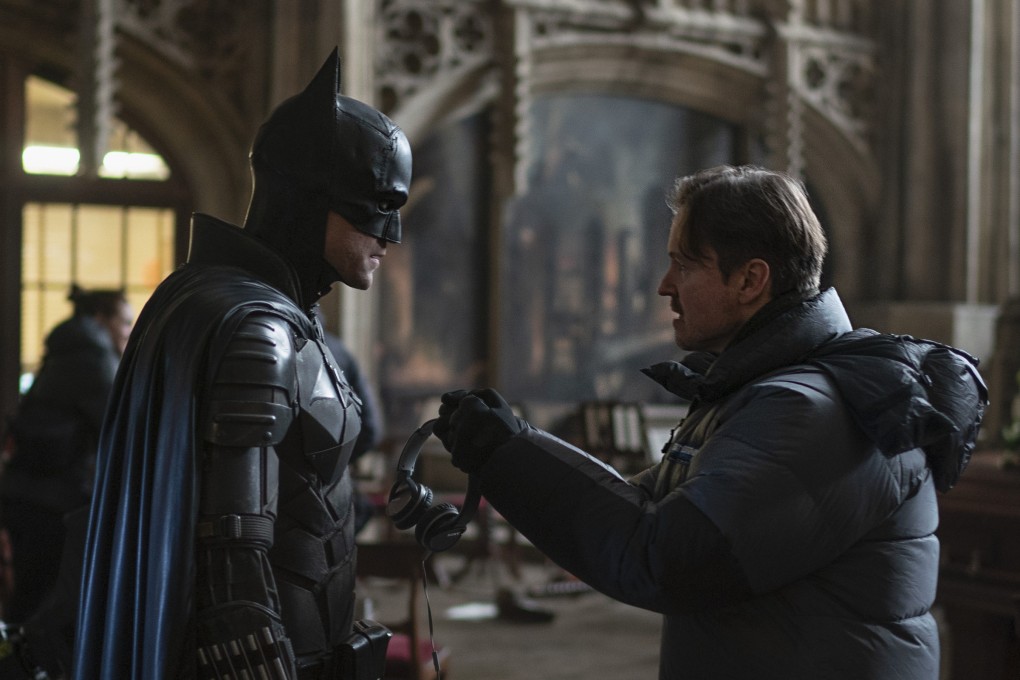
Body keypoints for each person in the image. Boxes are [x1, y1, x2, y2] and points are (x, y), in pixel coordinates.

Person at [431, 165, 988, 679]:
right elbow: (640, 506)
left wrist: (508, 454)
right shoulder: (758, 389)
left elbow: (665, 558)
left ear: (750, 281)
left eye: (684, 263)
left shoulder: (813, 410)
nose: (664, 286)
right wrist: (511, 446)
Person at [72, 48, 411, 680]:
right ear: (312, 199)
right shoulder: (259, 328)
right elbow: (230, 535)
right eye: (374, 207)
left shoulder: (253, 307)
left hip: (309, 639)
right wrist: (255, 644)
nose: (389, 234)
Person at [0, 285, 132, 624]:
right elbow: (118, 426)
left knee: (29, 594)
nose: (129, 332)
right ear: (101, 319)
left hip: (27, 493)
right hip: (56, 501)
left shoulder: (66, 349)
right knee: (47, 602)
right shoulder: (93, 356)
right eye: (125, 322)